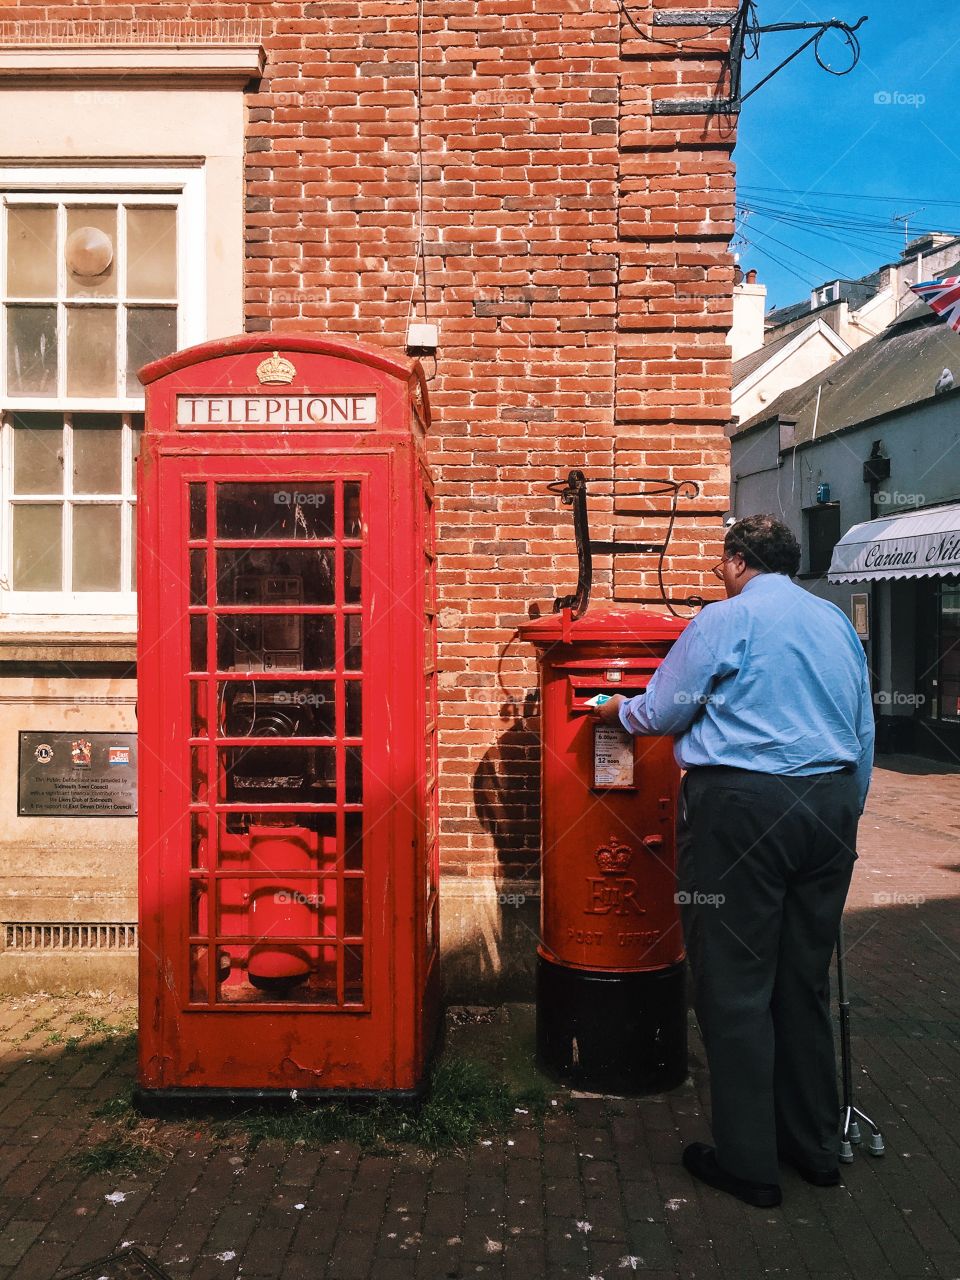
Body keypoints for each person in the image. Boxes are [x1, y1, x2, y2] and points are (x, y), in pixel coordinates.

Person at [598, 513, 874, 1208]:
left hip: (744, 809)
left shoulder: (727, 619)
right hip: (833, 805)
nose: (718, 571)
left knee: (735, 981)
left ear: (738, 561)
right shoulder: (834, 622)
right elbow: (862, 725)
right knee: (802, 981)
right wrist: (847, 813)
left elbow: (663, 710)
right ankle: (813, 1149)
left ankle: (749, 1164)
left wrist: (613, 714)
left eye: (721, 561)